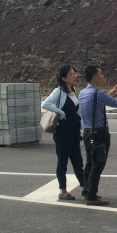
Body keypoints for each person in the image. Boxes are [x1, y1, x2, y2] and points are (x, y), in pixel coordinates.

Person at [79, 65, 117, 206]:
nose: (103, 76)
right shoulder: (98, 93)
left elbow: (98, 102)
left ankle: (87, 191)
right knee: (98, 165)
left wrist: (112, 92)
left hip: (87, 132)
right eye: (101, 74)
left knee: (90, 163)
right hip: (99, 134)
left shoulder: (83, 92)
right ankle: (91, 197)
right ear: (94, 77)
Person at [42, 64, 86, 200]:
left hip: (74, 129)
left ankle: (85, 187)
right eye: (71, 74)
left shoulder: (74, 90)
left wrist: (82, 127)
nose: (75, 76)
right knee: (63, 160)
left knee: (77, 160)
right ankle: (63, 190)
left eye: (74, 73)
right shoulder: (58, 91)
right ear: (64, 78)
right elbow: (45, 104)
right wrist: (61, 113)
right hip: (62, 130)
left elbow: (78, 111)